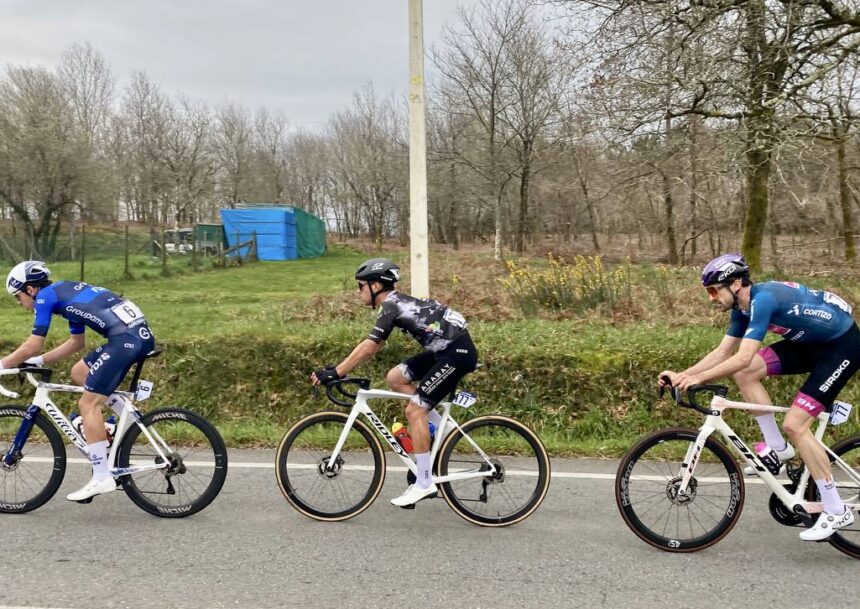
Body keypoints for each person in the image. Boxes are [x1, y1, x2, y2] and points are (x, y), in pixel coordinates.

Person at [659, 253, 859, 541]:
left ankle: (836, 509)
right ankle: (778, 448)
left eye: (714, 290)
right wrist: (682, 375)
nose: (711, 298)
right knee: (746, 372)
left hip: (842, 347)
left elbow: (742, 356)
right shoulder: (741, 308)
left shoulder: (763, 300)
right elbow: (723, 353)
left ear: (736, 284)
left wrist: (699, 379)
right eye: (708, 292)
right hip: (812, 344)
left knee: (795, 425)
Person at [311, 258, 478, 507]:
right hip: (445, 351)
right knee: (395, 378)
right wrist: (339, 369)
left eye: (360, 286)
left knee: (415, 410)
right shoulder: (395, 303)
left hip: (456, 354)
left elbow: (369, 346)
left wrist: (337, 371)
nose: (358, 291)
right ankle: (436, 428)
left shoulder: (391, 305)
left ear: (376, 285)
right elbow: (375, 344)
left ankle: (424, 482)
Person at [2, 261, 156, 502]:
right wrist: (38, 361)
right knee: (79, 372)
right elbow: (77, 343)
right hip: (132, 336)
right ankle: (117, 426)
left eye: (18, 296)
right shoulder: (64, 293)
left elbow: (34, 343)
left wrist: (3, 364)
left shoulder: (45, 298)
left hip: (126, 340)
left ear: (30, 289)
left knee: (88, 405)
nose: (20, 302)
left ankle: (101, 476)